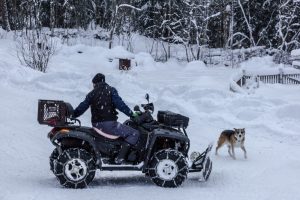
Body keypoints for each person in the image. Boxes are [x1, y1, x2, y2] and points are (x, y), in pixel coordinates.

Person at [73, 73, 139, 164]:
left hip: (96, 125)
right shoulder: (111, 90)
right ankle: (120, 157)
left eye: (93, 84)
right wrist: (132, 114)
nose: (93, 86)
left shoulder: (92, 93)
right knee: (134, 133)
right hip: (109, 125)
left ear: (95, 83)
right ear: (103, 81)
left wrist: (74, 115)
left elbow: (82, 106)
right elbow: (120, 105)